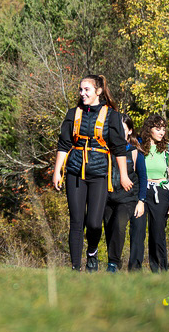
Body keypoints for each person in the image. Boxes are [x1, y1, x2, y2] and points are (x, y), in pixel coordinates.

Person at [52, 75, 131, 272]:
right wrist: (57, 172)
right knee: (77, 221)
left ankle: (92, 252)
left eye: (86, 90)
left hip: (99, 175)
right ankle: (75, 267)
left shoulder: (112, 116)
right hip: (75, 173)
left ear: (98, 91)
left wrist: (123, 175)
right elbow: (63, 144)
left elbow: (119, 148)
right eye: (80, 90)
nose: (82, 93)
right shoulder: (73, 114)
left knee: (94, 223)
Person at [128, 114, 169, 272]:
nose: (161, 132)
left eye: (163, 129)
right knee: (137, 231)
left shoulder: (168, 149)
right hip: (140, 193)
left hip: (160, 193)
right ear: (149, 129)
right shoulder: (139, 146)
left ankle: (159, 271)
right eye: (158, 129)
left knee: (157, 234)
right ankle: (134, 271)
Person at [102, 113, 146, 271]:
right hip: (107, 197)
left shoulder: (135, 152)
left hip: (128, 199)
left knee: (120, 224)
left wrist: (141, 201)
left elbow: (143, 177)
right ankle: (114, 259)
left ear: (129, 131)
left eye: (123, 128)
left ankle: (112, 263)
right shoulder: (106, 149)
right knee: (108, 227)